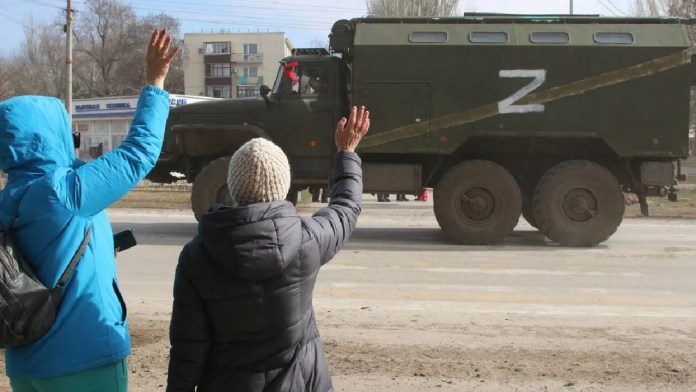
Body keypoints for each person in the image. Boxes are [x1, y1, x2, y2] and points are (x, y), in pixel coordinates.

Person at [0, 29, 178, 391]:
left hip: (25, 364)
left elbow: (37, 260)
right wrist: (155, 83)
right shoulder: (62, 192)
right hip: (82, 358)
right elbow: (138, 154)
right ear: (53, 134)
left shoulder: (12, 196)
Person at [167, 106, 371, 392]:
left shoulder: (196, 256)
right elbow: (346, 207)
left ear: (234, 186)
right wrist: (346, 151)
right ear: (283, 185)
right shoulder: (306, 241)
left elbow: (187, 351)